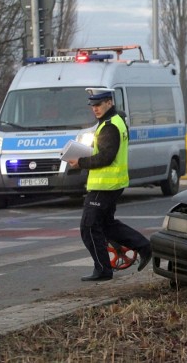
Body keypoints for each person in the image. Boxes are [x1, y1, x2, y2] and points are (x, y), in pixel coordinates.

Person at [68, 88, 152, 281]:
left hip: (104, 186)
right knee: (106, 225)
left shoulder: (109, 126)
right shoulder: (116, 120)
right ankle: (144, 247)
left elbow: (106, 157)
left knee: (88, 227)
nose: (95, 109)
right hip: (111, 183)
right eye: (93, 106)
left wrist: (80, 162)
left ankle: (103, 270)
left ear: (109, 103)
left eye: (98, 105)